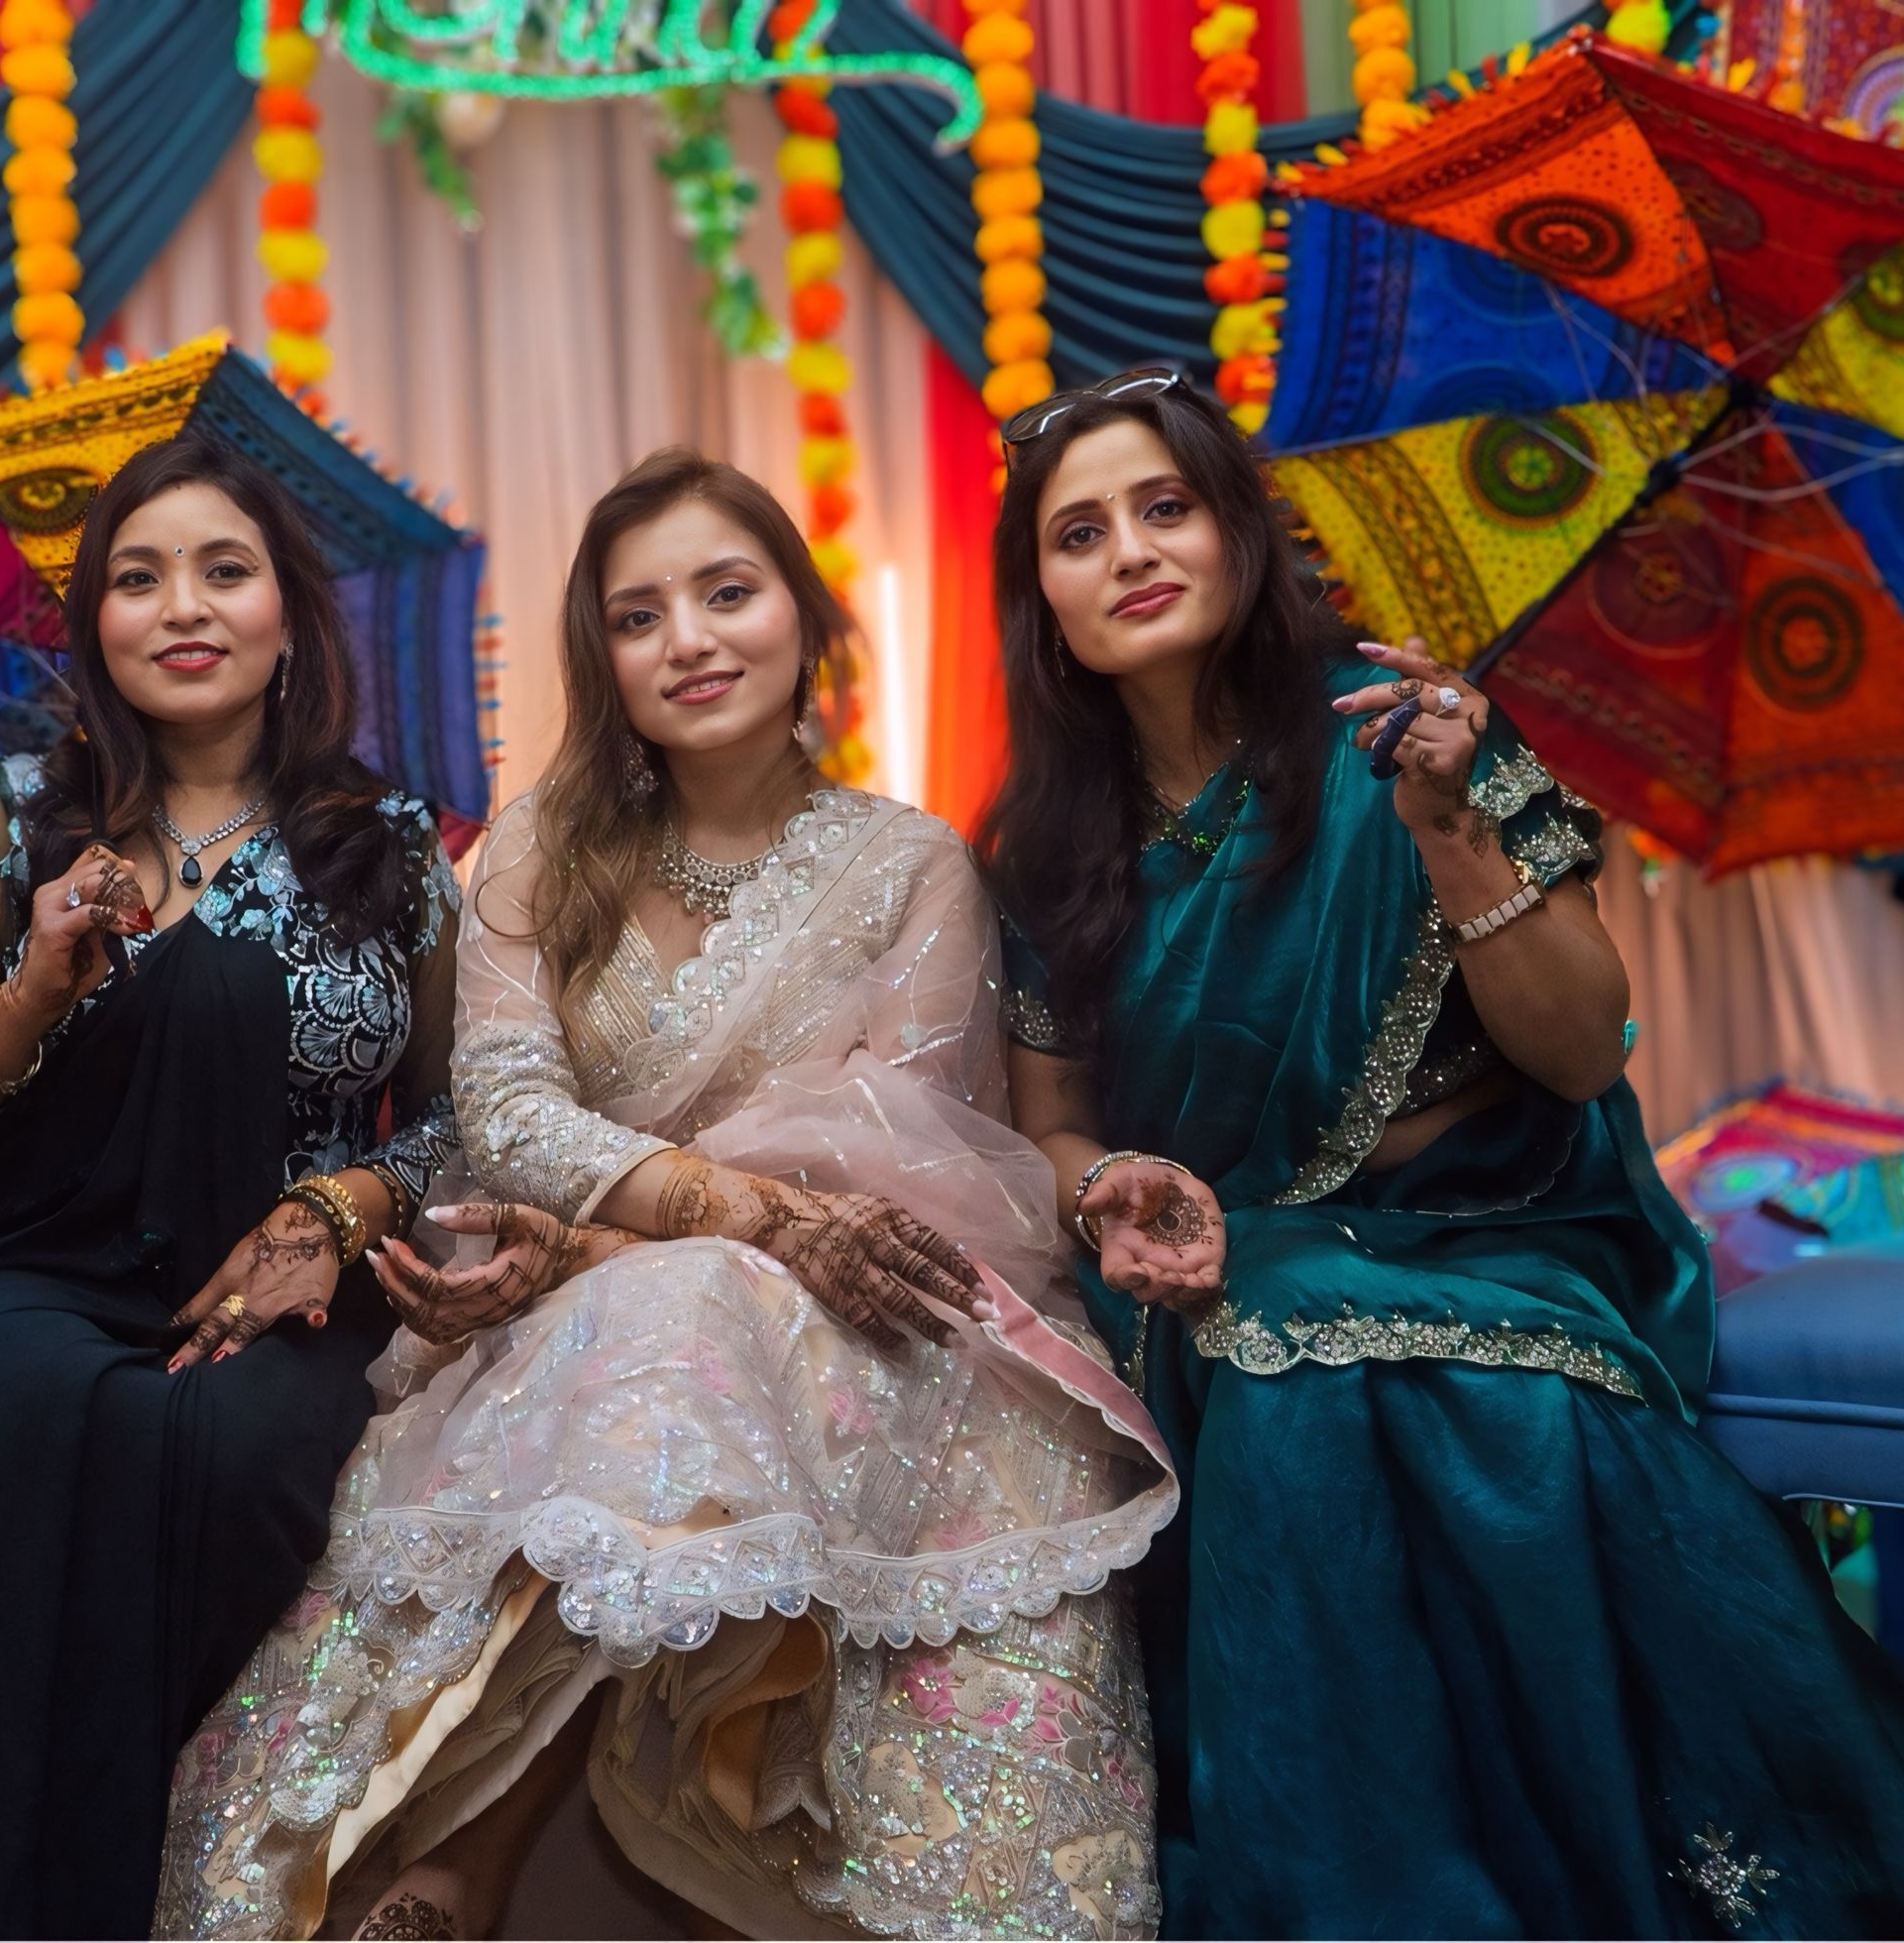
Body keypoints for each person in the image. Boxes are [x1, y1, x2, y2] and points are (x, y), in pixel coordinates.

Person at [974, 368, 1904, 1938]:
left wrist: (1448, 825)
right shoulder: (1036, 849)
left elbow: (1580, 1051)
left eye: (1166, 506)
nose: (1131, 550)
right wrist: (1106, 1193)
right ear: (1043, 598)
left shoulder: (1409, 741)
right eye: (1079, 533)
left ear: (1235, 533)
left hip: (1502, 1234)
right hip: (1208, 1263)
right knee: (1271, 1325)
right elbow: (1052, 1119)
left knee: (1304, 1358)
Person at [155, 450, 1175, 1941]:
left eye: (727, 593)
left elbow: (899, 1155)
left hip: (863, 1318)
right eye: (640, 616)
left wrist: (659, 1235)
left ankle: (502, 1874)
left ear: (804, 623)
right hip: (561, 1300)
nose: (689, 638)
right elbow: (502, 1112)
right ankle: (441, 1873)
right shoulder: (536, 853)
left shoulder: (910, 864)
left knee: (690, 1322)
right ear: (604, 659)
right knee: (667, 1330)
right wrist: (646, 1234)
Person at [0, 433, 465, 1937]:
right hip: (23, 1285)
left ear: (286, 616)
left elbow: (468, 1119)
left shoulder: (385, 844)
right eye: (136, 579)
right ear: (95, 627)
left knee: (233, 1453)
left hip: (278, 1298)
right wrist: (29, 989)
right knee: (26, 1401)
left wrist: (341, 1212)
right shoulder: (14, 818)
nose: (181, 606)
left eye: (223, 569)